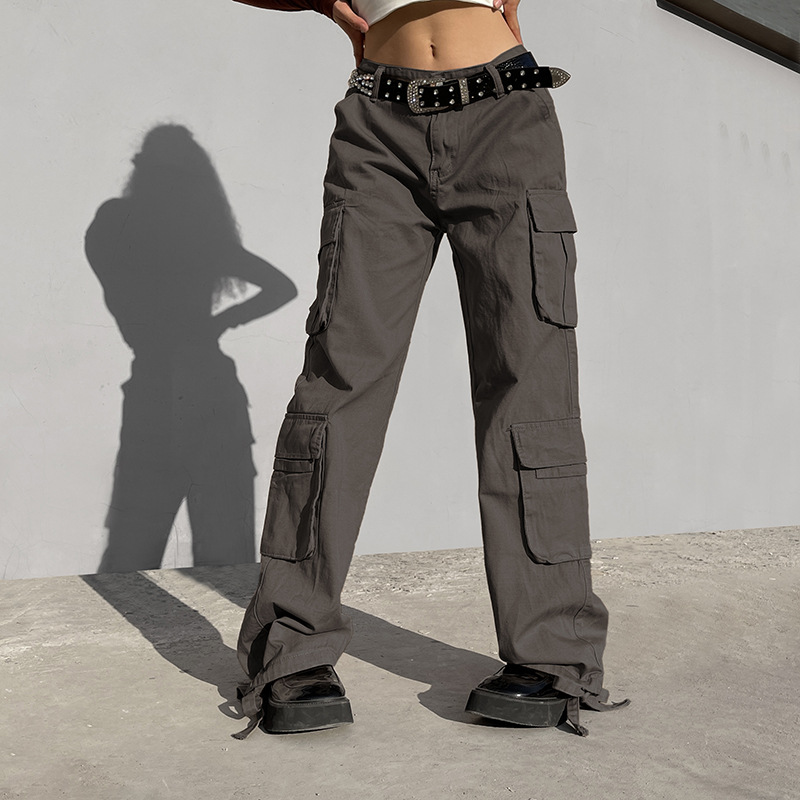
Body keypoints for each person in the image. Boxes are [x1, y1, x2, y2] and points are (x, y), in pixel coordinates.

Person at [232, 0, 629, 738]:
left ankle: (552, 652)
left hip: (504, 113)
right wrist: (328, 4)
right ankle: (293, 645)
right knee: (339, 381)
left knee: (528, 380)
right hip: (377, 125)